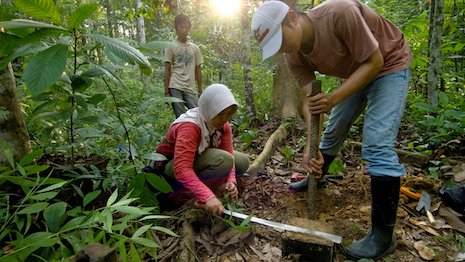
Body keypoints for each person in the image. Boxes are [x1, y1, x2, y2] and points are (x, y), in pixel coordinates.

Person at [251, 0, 412, 260]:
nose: (282, 50)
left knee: (376, 143)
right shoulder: (294, 57)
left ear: (292, 18)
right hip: (354, 73)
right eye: (275, 47)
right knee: (334, 129)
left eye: (280, 40)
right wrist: (309, 148)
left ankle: (384, 235)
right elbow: (311, 103)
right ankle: (318, 174)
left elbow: (374, 61)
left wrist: (333, 98)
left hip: (388, 64)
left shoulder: (339, 13)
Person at [148, 84, 249, 215]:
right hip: (169, 167)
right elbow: (181, 169)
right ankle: (188, 195)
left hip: (196, 157)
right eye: (220, 113)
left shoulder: (222, 125)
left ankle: (207, 188)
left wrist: (231, 181)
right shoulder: (190, 126)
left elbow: (229, 151)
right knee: (224, 160)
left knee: (242, 161)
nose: (224, 119)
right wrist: (208, 196)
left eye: (228, 114)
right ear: (209, 108)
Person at [164, 14, 203, 118]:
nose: (184, 30)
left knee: (195, 115)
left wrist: (200, 90)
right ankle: (181, 134)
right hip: (175, 86)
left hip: (190, 88)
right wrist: (166, 92)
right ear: (176, 28)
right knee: (180, 117)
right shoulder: (171, 46)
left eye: (186, 27)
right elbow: (167, 68)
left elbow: (198, 69)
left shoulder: (195, 48)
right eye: (181, 27)